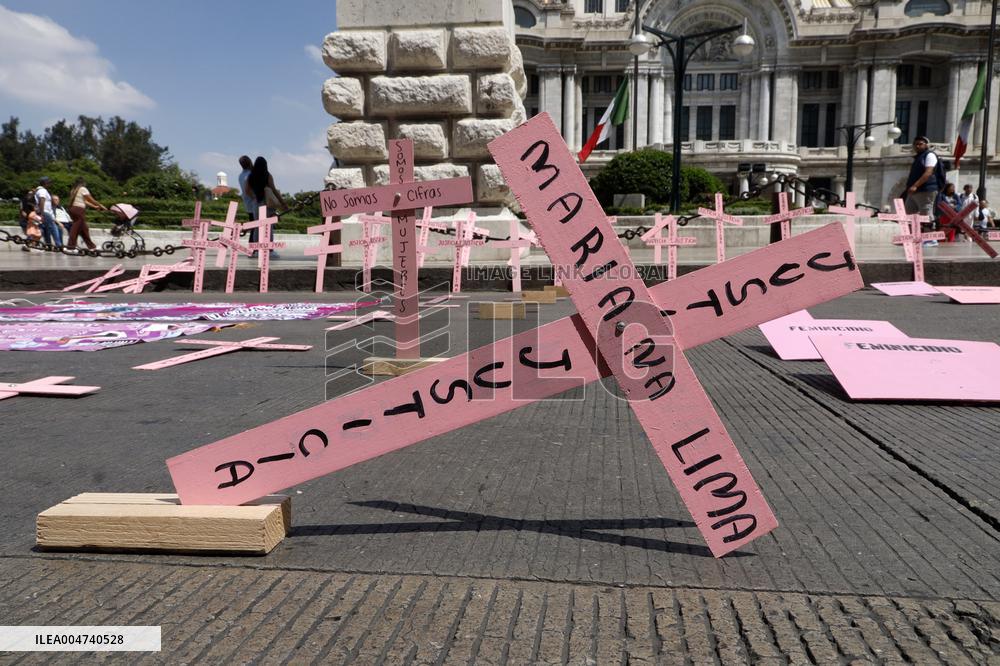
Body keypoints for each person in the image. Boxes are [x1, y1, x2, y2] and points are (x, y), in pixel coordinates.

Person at [246, 156, 286, 256]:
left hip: (256, 204)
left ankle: (256, 250)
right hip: (267, 204)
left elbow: (247, 190)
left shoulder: (251, 176)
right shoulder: (267, 175)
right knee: (269, 226)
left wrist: (254, 197)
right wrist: (283, 203)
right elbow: (273, 189)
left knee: (257, 226)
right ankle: (269, 250)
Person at [903, 136, 941, 221]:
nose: (917, 146)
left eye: (920, 144)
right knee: (908, 214)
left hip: (925, 190)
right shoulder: (918, 157)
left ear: (926, 145)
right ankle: (911, 233)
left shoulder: (929, 155)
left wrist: (915, 185)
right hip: (914, 191)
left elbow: (928, 172)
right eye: (916, 144)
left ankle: (928, 232)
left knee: (926, 214)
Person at [66, 176, 106, 251]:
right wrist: (101, 205)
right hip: (79, 210)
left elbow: (85, 201)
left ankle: (92, 246)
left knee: (84, 229)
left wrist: (95, 207)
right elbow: (91, 199)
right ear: (83, 183)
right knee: (75, 228)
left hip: (73, 209)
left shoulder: (74, 190)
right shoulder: (83, 189)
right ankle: (70, 246)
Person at [34, 176, 63, 248]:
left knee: (46, 229)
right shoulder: (42, 191)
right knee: (53, 227)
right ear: (45, 183)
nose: (50, 184)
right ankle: (58, 245)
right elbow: (42, 200)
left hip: (44, 212)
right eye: (49, 182)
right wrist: (42, 213)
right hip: (45, 212)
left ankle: (48, 244)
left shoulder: (39, 190)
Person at [237, 155, 256, 221]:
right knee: (256, 224)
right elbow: (249, 190)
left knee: (252, 221)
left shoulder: (241, 175)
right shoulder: (251, 174)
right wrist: (256, 198)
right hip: (254, 202)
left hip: (247, 202)